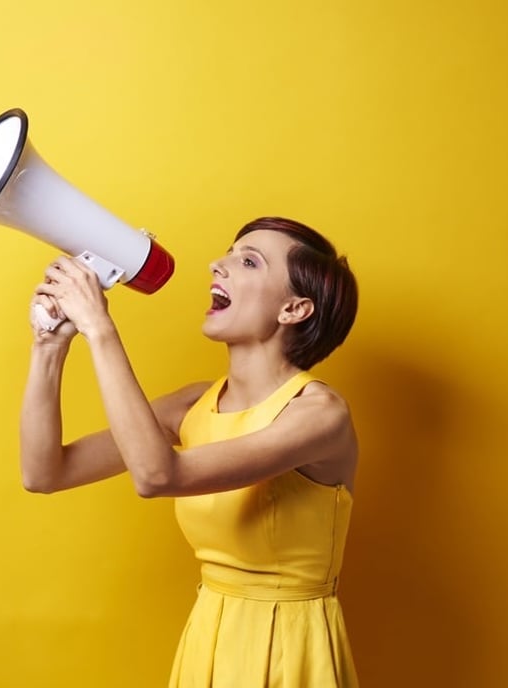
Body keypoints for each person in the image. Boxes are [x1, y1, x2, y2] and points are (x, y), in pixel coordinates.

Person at [20, 216, 360, 687]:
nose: (216, 265)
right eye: (229, 253)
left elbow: (158, 476)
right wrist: (49, 347)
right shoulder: (192, 404)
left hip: (290, 649)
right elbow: (45, 472)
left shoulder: (320, 415)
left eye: (248, 261)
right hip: (208, 636)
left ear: (294, 309)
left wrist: (100, 327)